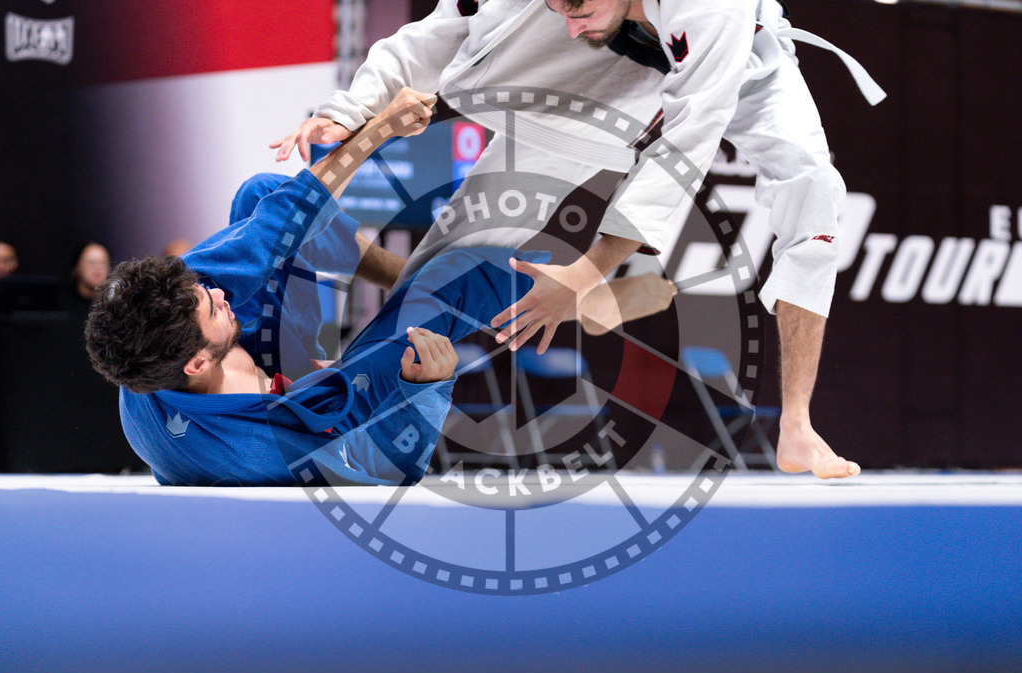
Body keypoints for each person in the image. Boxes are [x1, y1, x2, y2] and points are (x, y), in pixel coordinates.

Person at [271, 0, 878, 479]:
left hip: (740, 66)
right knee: (451, 256)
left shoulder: (708, 9)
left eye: (577, 3)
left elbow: (687, 141)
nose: (566, 18)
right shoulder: (572, 17)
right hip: (607, 75)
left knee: (815, 189)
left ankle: (796, 424)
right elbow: (436, 33)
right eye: (556, 4)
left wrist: (585, 275)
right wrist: (349, 110)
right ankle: (335, 403)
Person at [85, 88, 671, 486]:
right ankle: (588, 299)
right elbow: (387, 469)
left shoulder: (165, 327)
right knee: (457, 277)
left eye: (202, 288)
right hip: (335, 404)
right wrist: (427, 389)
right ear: (193, 364)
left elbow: (284, 210)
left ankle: (403, 275)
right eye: (208, 307)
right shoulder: (250, 454)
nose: (216, 293)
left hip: (278, 360)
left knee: (260, 193)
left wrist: (374, 133)